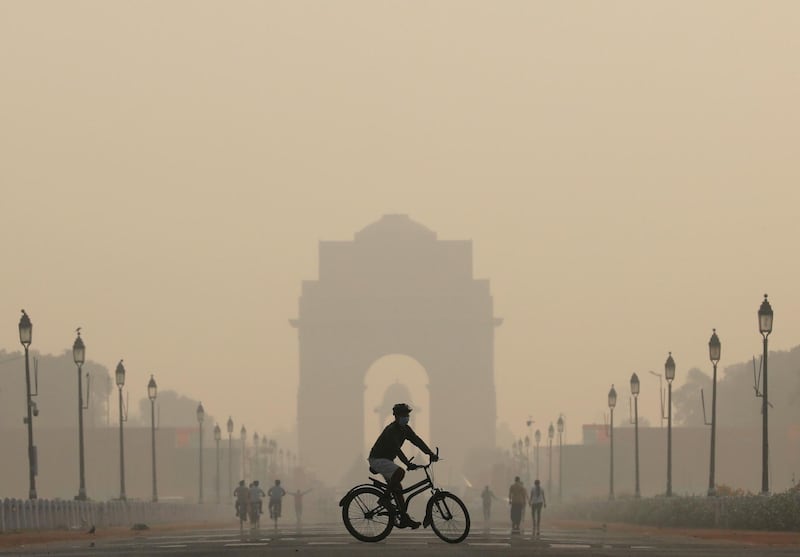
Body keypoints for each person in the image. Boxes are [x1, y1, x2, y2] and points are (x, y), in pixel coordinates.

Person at [368, 402, 439, 530]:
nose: (406, 417)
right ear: (396, 417)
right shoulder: (391, 430)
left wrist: (430, 453)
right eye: (403, 415)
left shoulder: (406, 429)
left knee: (398, 490)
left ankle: (404, 518)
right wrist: (407, 464)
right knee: (400, 472)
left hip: (387, 461)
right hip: (377, 459)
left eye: (407, 415)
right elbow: (397, 449)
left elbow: (417, 441)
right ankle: (384, 499)